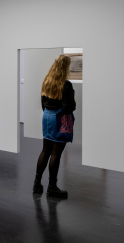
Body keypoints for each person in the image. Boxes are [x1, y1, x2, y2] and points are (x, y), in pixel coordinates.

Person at [33, 54, 76, 198]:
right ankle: (52, 187)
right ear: (65, 67)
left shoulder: (47, 81)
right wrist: (73, 103)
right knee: (56, 153)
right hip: (59, 118)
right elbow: (67, 107)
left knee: (45, 150)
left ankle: (37, 184)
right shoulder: (66, 84)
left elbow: (43, 103)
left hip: (47, 117)